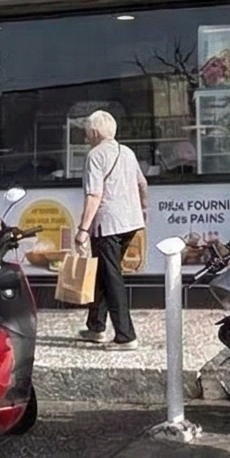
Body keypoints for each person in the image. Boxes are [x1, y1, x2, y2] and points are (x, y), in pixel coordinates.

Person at [77, 109, 148, 348]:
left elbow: (94, 195)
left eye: (87, 132)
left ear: (95, 132)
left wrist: (83, 229)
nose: (86, 136)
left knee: (111, 277)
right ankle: (96, 326)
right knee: (104, 273)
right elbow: (142, 183)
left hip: (108, 225)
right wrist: (144, 209)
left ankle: (126, 336)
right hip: (131, 222)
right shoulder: (127, 152)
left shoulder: (95, 156)